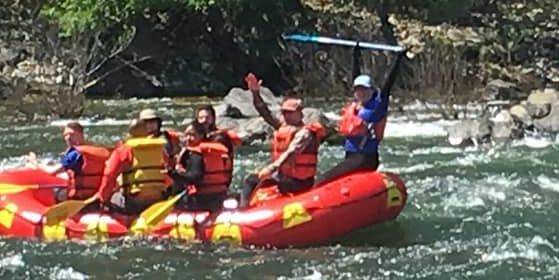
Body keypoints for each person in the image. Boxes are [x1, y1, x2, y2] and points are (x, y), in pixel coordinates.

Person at [314, 43, 405, 186]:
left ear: (371, 90)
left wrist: (398, 59)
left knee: (324, 180)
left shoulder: (377, 106)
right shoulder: (356, 105)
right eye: (358, 90)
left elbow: (388, 84)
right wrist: (355, 54)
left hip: (365, 158)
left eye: (365, 90)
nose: (361, 92)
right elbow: (355, 76)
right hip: (351, 156)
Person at [239, 72, 327, 206]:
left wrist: (270, 169)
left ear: (300, 113)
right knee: (249, 180)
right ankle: (244, 208)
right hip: (284, 176)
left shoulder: (305, 133)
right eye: (284, 112)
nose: (287, 116)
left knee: (257, 181)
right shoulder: (283, 126)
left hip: (299, 182)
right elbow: (265, 113)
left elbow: (290, 153)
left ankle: (244, 212)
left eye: (290, 112)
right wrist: (255, 93)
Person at [91, 118, 168, 214]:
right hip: (159, 199)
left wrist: (102, 198)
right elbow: (168, 173)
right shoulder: (159, 149)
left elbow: (109, 175)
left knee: (113, 197)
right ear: (146, 131)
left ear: (130, 132)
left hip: (134, 202)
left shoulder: (124, 150)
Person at [168, 123, 232, 210]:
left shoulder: (196, 154)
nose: (188, 138)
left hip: (200, 199)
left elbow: (195, 178)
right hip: (220, 195)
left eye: (192, 135)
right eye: (187, 135)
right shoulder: (218, 152)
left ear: (201, 136)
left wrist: (174, 174)